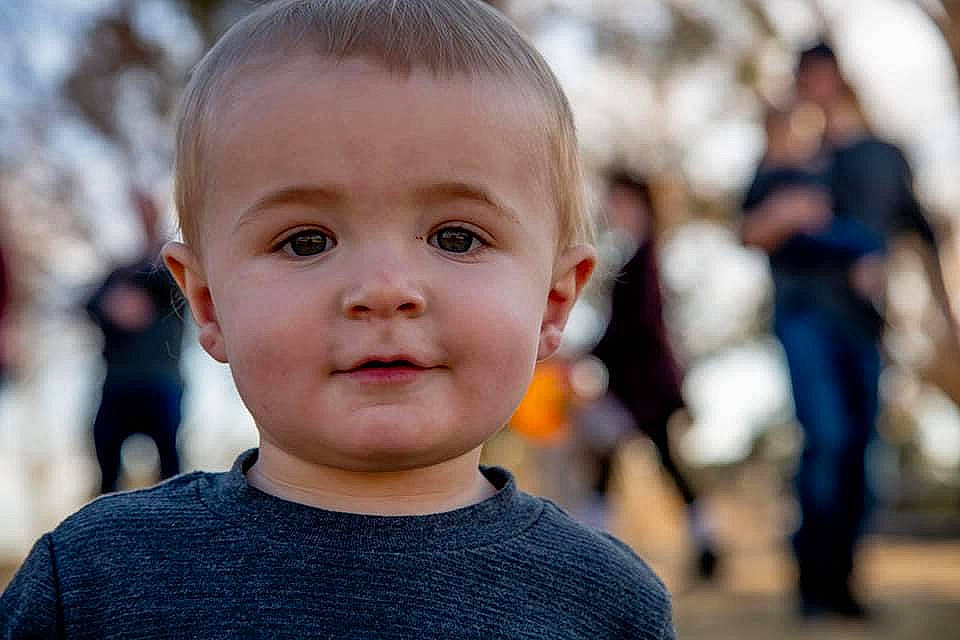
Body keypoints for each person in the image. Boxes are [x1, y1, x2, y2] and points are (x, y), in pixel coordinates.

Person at [0, 1, 675, 637]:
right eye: (306, 241)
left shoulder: (609, 607)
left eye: (456, 238)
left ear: (554, 301)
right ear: (207, 303)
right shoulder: (93, 585)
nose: (383, 291)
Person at [741, 41, 957, 619]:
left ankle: (842, 586)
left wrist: (947, 319)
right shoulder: (786, 159)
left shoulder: (883, 155)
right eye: (803, 77)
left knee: (862, 452)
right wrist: (783, 217)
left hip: (866, 326)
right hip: (806, 316)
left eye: (823, 75)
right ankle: (813, 586)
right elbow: (752, 227)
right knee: (827, 437)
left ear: (840, 79)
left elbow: (921, 236)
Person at [587, 170, 719, 580]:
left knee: (660, 463)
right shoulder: (635, 256)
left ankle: (707, 545)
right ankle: (593, 543)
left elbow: (637, 328)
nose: (611, 209)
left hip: (645, 387)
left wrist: (588, 352)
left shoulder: (645, 259)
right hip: (632, 386)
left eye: (617, 200)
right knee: (614, 461)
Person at [84, 188, 186, 494]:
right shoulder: (118, 273)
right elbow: (90, 305)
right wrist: (113, 306)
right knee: (105, 466)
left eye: (149, 210)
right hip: (117, 383)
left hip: (161, 381)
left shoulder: (173, 268)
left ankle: (176, 532)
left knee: (171, 471)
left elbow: (171, 293)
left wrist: (138, 303)